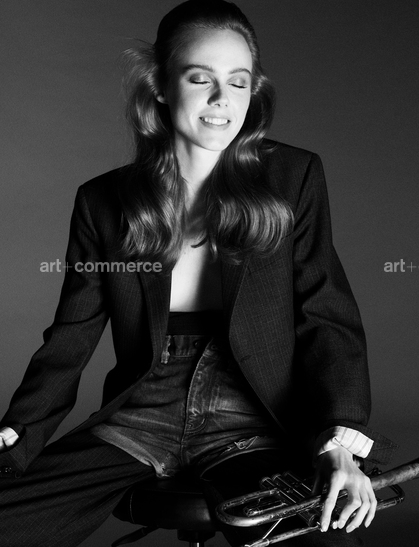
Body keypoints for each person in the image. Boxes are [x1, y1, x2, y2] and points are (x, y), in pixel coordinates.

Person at [0, 1, 397, 546]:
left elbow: (325, 313)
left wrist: (339, 445)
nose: (221, 100)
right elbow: (71, 336)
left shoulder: (293, 176)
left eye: (238, 82)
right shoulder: (103, 201)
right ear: (162, 86)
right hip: (138, 415)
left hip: (254, 418)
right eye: (200, 78)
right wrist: (15, 431)